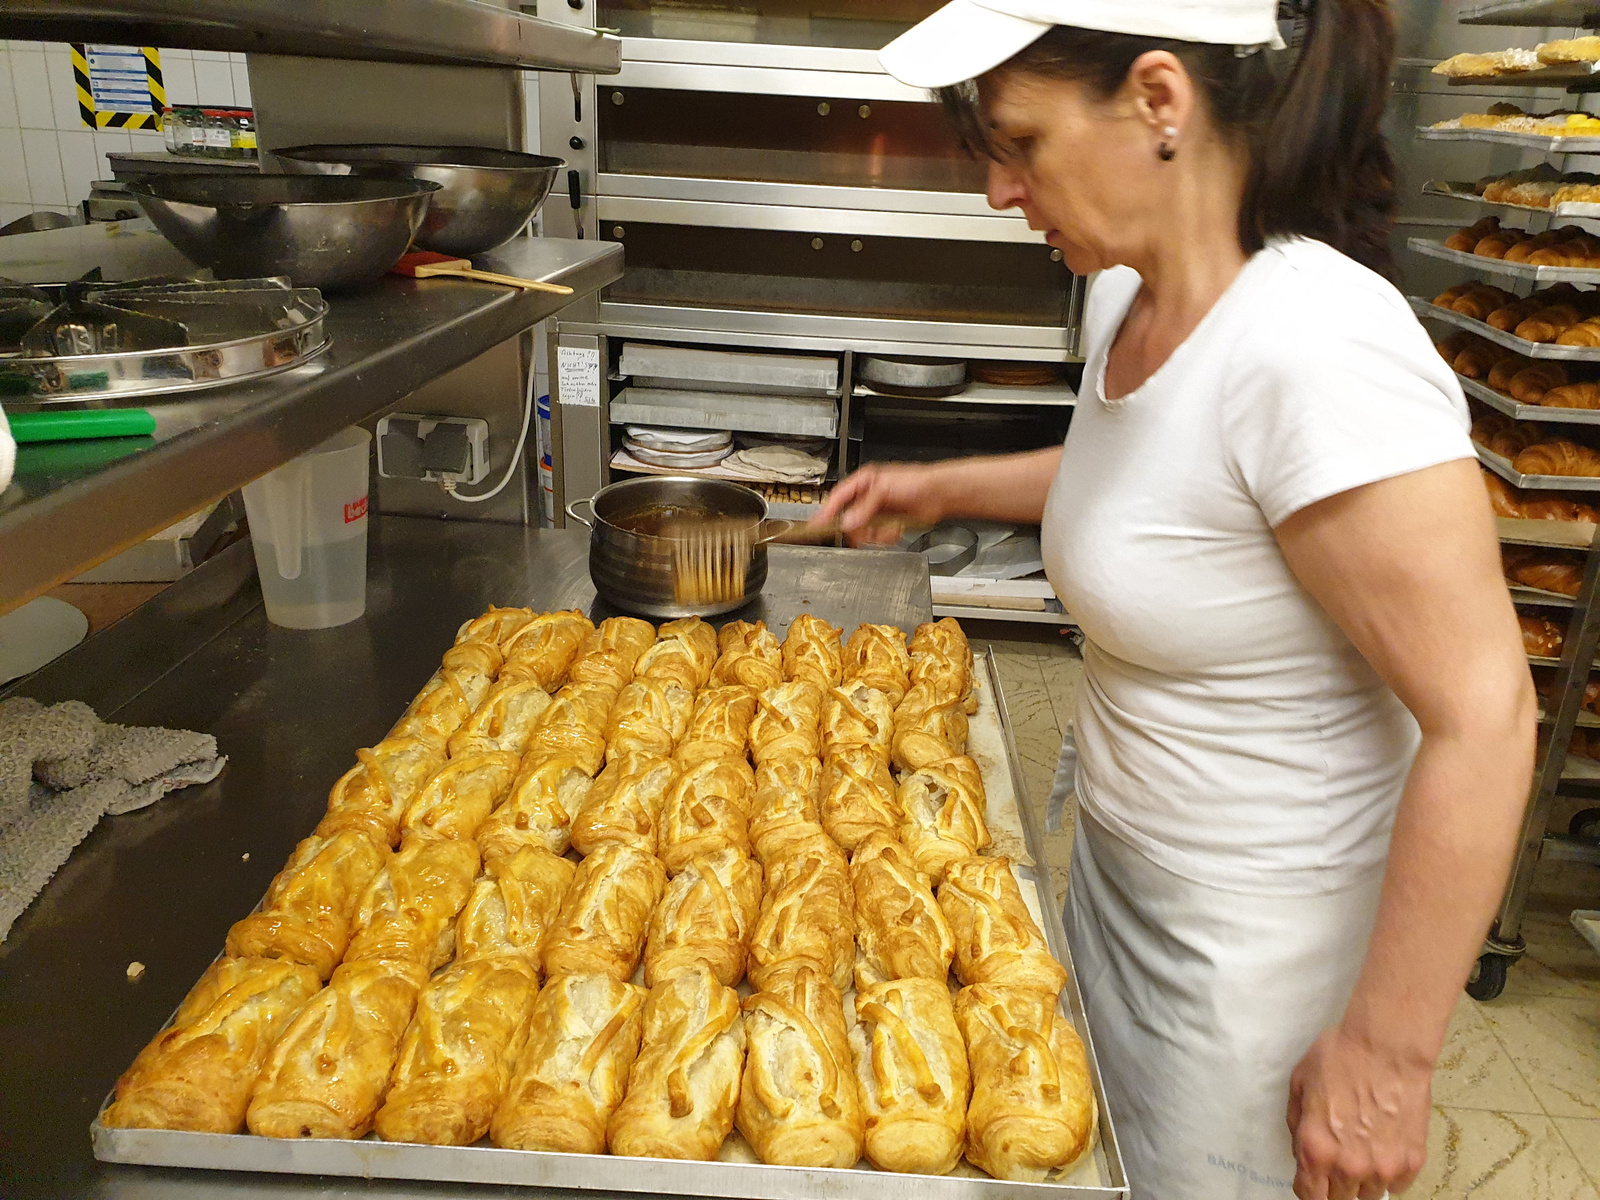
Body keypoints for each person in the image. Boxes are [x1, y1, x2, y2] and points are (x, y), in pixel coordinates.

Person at [819, 2, 1536, 1198]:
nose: (1000, 192)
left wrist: (1384, 1058)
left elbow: (1486, 714)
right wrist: (950, 486)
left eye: (1019, 144)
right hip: (1115, 870)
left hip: (1252, 948)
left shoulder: (1316, 349)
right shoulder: (1125, 292)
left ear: (1159, 100)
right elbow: (1176, 492)